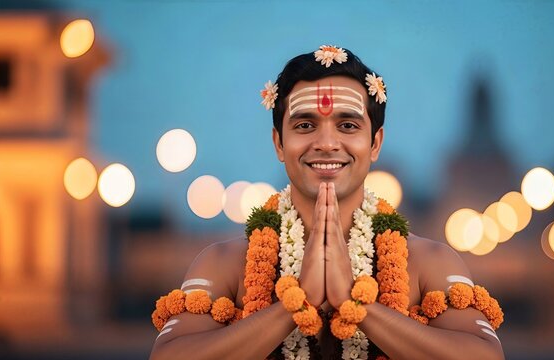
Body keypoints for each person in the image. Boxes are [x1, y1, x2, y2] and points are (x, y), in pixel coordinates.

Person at [149, 45, 504, 360]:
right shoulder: (224, 263)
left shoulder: (429, 263)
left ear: (375, 143)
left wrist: (356, 303)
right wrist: (295, 304)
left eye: (347, 125)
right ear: (278, 143)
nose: (327, 143)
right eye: (305, 125)